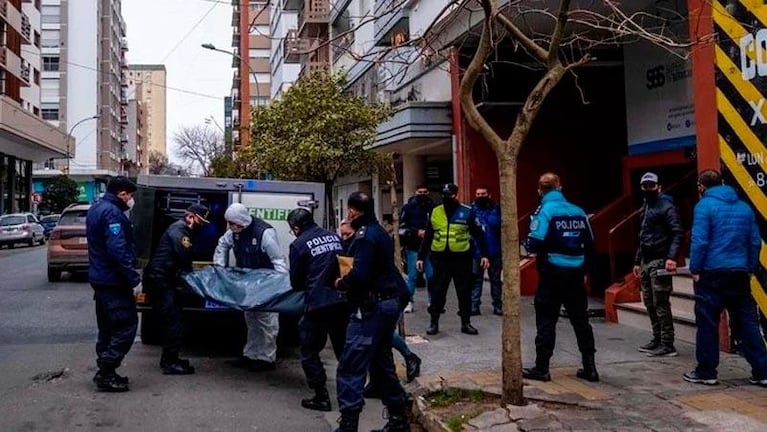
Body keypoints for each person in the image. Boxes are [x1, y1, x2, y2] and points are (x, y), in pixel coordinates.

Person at [333, 192, 411, 432]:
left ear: (356, 211)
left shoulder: (366, 237)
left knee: (351, 364)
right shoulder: (379, 232)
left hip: (371, 307)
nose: (348, 215)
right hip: (387, 304)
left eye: (350, 210)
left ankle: (349, 424)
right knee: (381, 362)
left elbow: (360, 275)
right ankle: (398, 418)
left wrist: (341, 284)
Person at [683, 170, 767, 387]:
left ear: (702, 186)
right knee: (747, 322)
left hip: (712, 274)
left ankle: (706, 372)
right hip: (739, 273)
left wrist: (695, 267)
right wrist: (749, 267)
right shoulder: (744, 208)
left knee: (708, 323)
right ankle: (762, 370)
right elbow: (755, 241)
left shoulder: (704, 207)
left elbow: (700, 240)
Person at [521, 173, 599, 383]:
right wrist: (584, 270)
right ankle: (590, 367)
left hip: (552, 274)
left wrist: (528, 244)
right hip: (576, 274)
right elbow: (590, 244)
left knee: (546, 319)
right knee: (581, 320)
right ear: (560, 187)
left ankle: (542, 368)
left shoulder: (544, 212)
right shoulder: (578, 211)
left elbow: (534, 243)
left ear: (540, 190)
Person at [342, 219, 422, 395]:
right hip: (383, 298)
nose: (345, 238)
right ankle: (378, 383)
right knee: (377, 342)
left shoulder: (366, 247)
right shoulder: (357, 248)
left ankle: (409, 358)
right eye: (342, 235)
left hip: (391, 297)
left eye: (347, 234)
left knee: (382, 336)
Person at [287, 208, 349, 412]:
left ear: (296, 228)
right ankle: (349, 395)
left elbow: (296, 282)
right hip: (341, 300)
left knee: (309, 349)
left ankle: (321, 396)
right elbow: (347, 266)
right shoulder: (335, 237)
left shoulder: (298, 244)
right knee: (344, 350)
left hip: (318, 304)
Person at [214, 203, 288, 372]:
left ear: (242, 222)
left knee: (268, 322)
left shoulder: (265, 233)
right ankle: (251, 355)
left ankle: (267, 358)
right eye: (230, 224)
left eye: (233, 224)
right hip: (248, 282)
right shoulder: (234, 233)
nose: (231, 227)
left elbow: (278, 260)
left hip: (266, 283)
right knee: (252, 320)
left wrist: (282, 286)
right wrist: (220, 267)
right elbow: (222, 245)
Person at [86, 176, 141, 392]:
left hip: (101, 280)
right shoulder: (112, 213)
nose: (132, 199)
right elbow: (118, 250)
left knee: (107, 328)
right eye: (131, 195)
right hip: (114, 282)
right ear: (122, 194)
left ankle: (105, 368)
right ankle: (106, 371)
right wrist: (134, 279)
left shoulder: (96, 208)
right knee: (126, 326)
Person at [142, 204, 210, 375]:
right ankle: (169, 362)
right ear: (190, 217)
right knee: (174, 320)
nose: (201, 225)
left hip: (162, 279)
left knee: (175, 318)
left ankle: (171, 358)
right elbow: (184, 256)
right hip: (159, 280)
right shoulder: (179, 231)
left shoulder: (179, 229)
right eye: (200, 221)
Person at [417, 183, 489, 336]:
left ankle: (466, 322)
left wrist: (484, 254)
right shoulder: (435, 212)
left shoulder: (467, 212)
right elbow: (428, 236)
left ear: (456, 195)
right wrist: (421, 257)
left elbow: (478, 235)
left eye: (449, 195)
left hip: (461, 259)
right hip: (440, 259)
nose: (446, 198)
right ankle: (433, 322)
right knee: (438, 292)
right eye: (444, 195)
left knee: (464, 292)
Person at [631, 172, 683, 357]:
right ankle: (658, 338)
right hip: (646, 260)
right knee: (649, 302)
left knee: (660, 302)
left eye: (651, 185)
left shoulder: (667, 207)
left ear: (659, 187)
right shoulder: (645, 207)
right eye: (645, 185)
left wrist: (671, 257)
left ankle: (668, 343)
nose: (648, 189)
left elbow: (677, 233)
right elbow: (642, 235)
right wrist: (638, 261)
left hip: (660, 260)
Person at [399, 184, 434, 313]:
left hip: (430, 247)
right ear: (415, 192)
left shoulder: (433, 207)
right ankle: (408, 301)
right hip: (413, 246)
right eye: (420, 192)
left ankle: (433, 301)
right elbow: (402, 227)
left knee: (431, 276)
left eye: (424, 191)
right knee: (412, 276)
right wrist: (416, 232)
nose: (422, 194)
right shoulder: (408, 208)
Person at [470, 184, 503, 316]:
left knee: (495, 281)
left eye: (483, 194)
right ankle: (474, 305)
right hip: (476, 252)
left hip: (494, 251)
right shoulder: (471, 210)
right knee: (476, 280)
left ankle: (497, 305)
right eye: (478, 194)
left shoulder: (497, 209)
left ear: (489, 195)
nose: (480, 196)